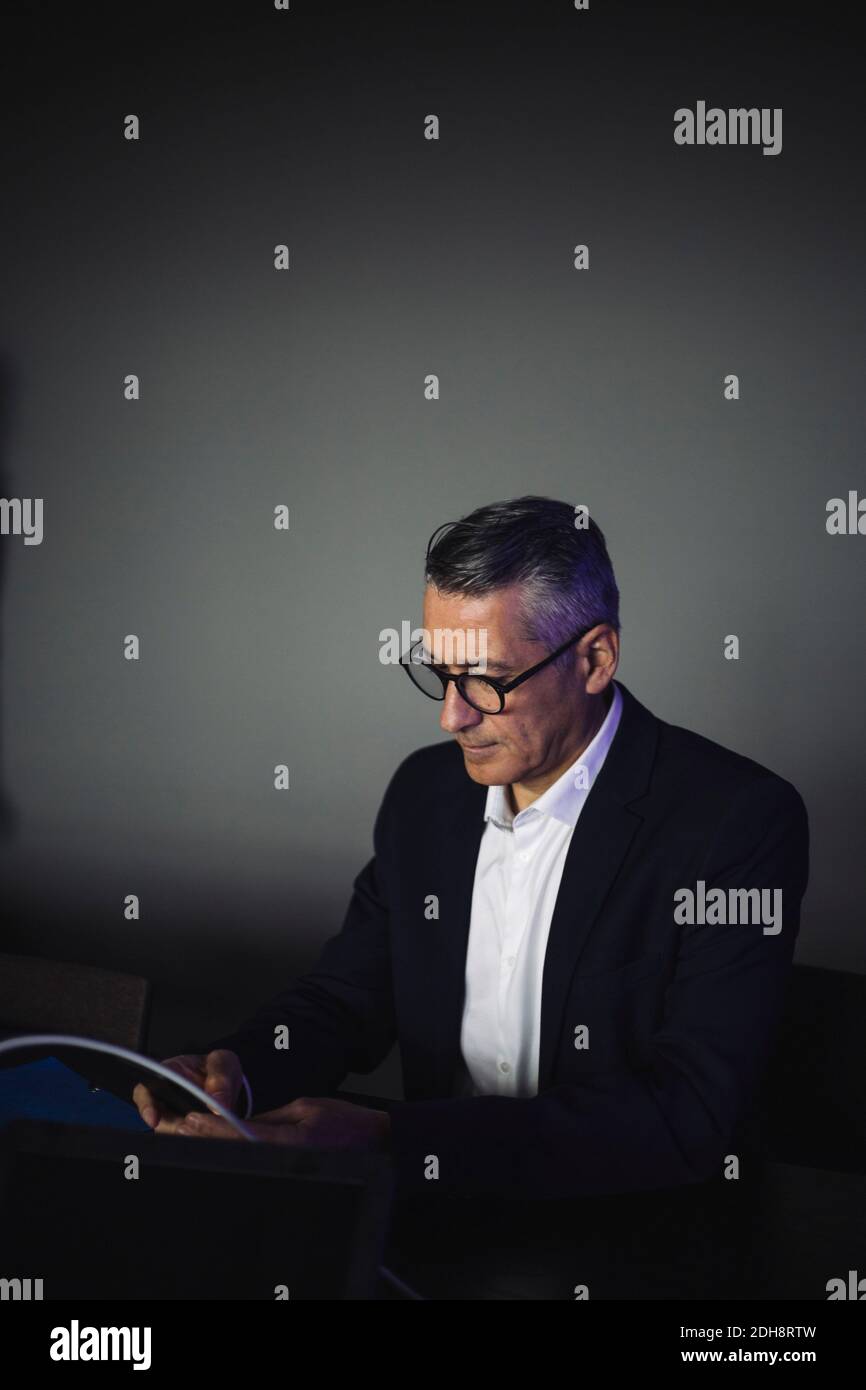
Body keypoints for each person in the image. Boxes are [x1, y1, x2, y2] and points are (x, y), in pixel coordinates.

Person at [133, 495, 809, 1201]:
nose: (451, 715)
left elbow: (690, 1111)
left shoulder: (739, 821)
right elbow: (345, 1000)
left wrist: (391, 1140)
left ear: (596, 658)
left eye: (486, 682)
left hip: (644, 1233)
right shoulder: (424, 795)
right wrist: (237, 1073)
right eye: (441, 674)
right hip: (433, 1216)